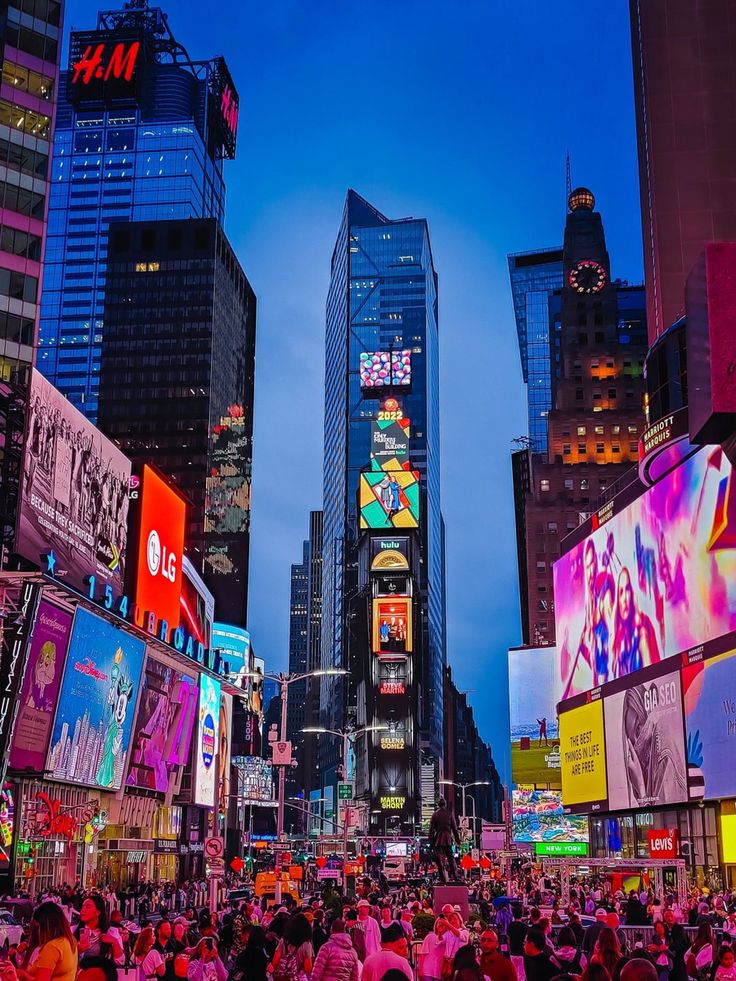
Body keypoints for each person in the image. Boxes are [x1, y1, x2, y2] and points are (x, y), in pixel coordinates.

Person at [1, 901, 77, 981]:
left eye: (39, 927)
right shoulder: (70, 941)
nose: (38, 932)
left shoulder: (52, 947)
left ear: (46, 925)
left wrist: (16, 977)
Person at [76, 896, 124, 966]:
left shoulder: (112, 932)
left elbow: (120, 962)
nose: (82, 910)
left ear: (98, 912)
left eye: (87, 907)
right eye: (82, 907)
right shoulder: (73, 931)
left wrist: (115, 942)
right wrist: (77, 951)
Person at [269, 912, 313, 981]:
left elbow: (274, 962)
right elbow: (307, 968)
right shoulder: (306, 945)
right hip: (298, 978)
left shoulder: (283, 941)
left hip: (283, 977)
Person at [429, 798, 461, 883]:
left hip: (438, 839)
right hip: (447, 839)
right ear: (445, 804)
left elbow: (431, 830)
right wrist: (458, 841)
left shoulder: (435, 814)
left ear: (438, 805)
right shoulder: (449, 814)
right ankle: (455, 877)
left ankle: (443, 878)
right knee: (451, 859)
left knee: (440, 860)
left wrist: (431, 842)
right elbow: (454, 829)